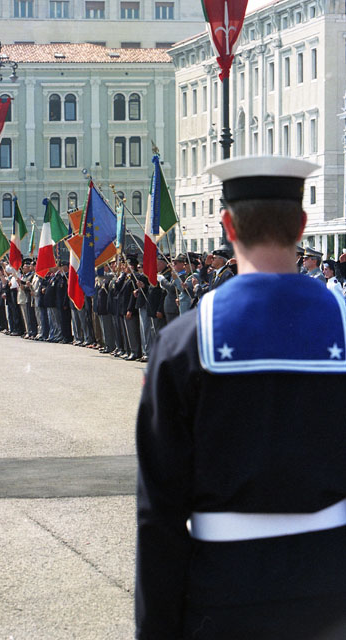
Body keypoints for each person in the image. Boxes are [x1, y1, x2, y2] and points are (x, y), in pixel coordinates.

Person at [136, 155, 346, 640]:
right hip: (334, 589)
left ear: (228, 226)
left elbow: (159, 514)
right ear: (301, 225)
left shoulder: (182, 344)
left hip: (224, 593)